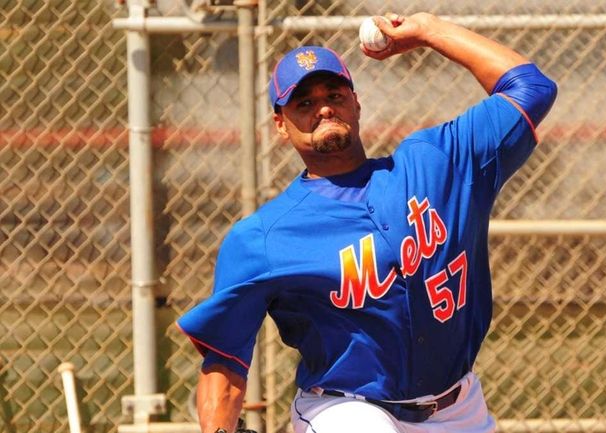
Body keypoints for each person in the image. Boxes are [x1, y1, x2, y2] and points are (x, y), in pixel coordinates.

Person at [177, 12, 557, 433]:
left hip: (459, 407)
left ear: (356, 103)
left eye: (334, 94)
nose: (323, 107)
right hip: (345, 409)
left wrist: (429, 31)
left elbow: (531, 88)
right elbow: (225, 362)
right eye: (303, 103)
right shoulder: (262, 239)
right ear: (281, 126)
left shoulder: (437, 164)